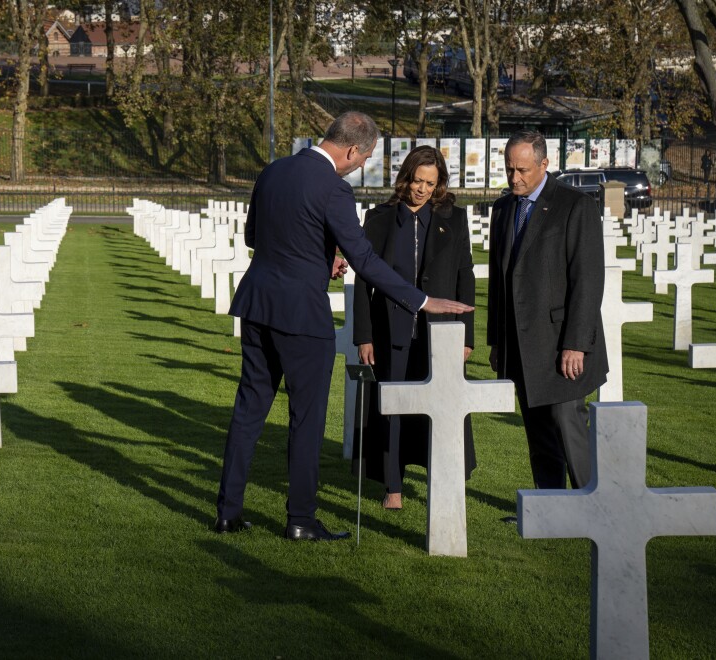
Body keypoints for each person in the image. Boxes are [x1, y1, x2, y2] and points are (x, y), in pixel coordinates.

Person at [215, 112, 474, 541]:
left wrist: (320, 257)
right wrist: (422, 300)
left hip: (258, 305)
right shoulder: (334, 187)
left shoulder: (274, 170)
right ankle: (300, 519)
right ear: (353, 149)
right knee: (306, 420)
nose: (361, 165)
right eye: (365, 158)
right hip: (301, 317)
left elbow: (254, 237)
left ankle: (228, 511)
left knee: (248, 411)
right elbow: (366, 260)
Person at [352, 145, 476, 510]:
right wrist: (364, 335)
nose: (421, 189)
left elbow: (464, 274)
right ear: (406, 177)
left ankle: (446, 476)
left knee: (442, 407)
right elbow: (362, 282)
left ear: (439, 184)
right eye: (417, 180)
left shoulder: (455, 219)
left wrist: (466, 333)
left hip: (440, 330)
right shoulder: (379, 219)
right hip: (390, 328)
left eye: (430, 183)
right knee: (393, 405)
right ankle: (393, 485)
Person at [487, 130, 608, 491]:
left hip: (561, 343)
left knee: (567, 420)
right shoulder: (503, 208)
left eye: (522, 170)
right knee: (537, 428)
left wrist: (576, 343)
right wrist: (498, 341)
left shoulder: (575, 206)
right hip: (522, 343)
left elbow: (587, 280)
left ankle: (592, 501)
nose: (514, 178)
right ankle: (548, 506)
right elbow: (499, 280)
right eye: (509, 169)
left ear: (544, 164)